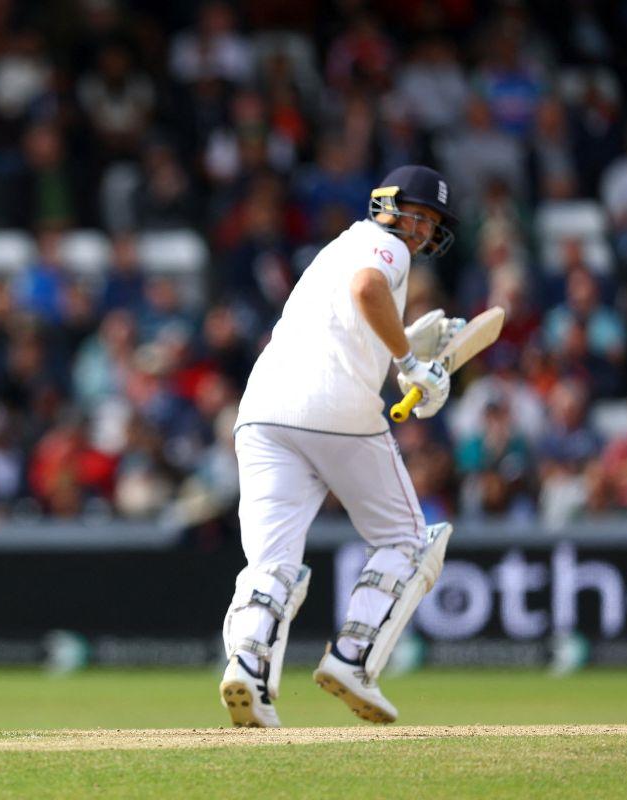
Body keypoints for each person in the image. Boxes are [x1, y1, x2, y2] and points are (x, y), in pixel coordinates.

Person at [219, 165, 462, 727]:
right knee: (409, 540)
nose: (422, 231)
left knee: (271, 560)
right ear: (388, 206)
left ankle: (247, 669)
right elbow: (367, 289)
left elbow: (346, 327)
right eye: (418, 216)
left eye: (430, 223)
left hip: (261, 412)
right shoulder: (387, 248)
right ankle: (353, 658)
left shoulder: (335, 249)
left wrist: (408, 352)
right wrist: (409, 363)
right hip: (338, 413)